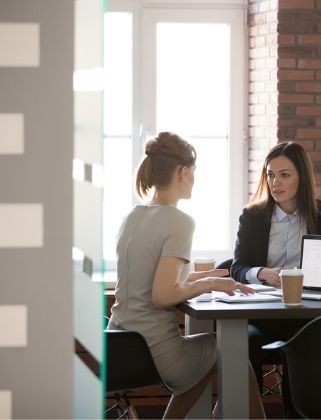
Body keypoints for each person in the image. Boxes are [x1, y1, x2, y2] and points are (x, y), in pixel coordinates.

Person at [108, 132, 265, 419]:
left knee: (214, 359)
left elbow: (147, 282)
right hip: (157, 350)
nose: (194, 178)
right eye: (193, 171)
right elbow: (162, 295)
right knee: (232, 355)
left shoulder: (132, 216)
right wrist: (211, 282)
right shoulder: (179, 221)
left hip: (125, 343)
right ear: (183, 171)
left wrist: (193, 280)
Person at [230, 141, 321, 416]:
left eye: (285, 174)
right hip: (262, 312)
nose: (275, 182)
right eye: (270, 174)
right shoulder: (252, 216)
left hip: (305, 312)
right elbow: (237, 268)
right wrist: (262, 273)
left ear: (302, 176)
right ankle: (248, 414)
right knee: (245, 339)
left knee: (319, 339)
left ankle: (299, 413)